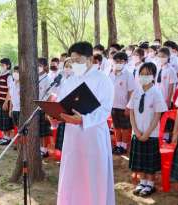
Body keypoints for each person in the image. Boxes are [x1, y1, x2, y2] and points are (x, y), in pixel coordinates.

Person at [56, 42, 115, 205]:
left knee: (93, 175)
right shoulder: (70, 80)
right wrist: (56, 114)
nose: (74, 64)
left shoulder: (103, 80)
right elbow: (62, 103)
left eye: (78, 60)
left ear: (90, 59)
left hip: (93, 136)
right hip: (72, 136)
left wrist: (84, 119)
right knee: (73, 173)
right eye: (72, 60)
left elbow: (105, 110)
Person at [127, 62, 167, 197]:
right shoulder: (136, 91)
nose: (144, 77)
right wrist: (136, 131)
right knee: (140, 160)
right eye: (142, 74)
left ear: (153, 76)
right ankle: (142, 182)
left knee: (149, 162)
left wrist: (147, 133)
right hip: (137, 132)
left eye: (147, 74)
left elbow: (157, 115)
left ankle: (150, 184)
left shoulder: (157, 93)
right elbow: (131, 111)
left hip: (151, 134)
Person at [110, 52, 136, 155]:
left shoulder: (128, 75)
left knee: (125, 127)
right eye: (116, 61)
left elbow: (131, 91)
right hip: (113, 105)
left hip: (124, 106)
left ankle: (124, 146)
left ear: (125, 62)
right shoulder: (111, 74)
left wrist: (128, 106)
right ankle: (118, 145)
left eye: (121, 61)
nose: (118, 63)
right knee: (116, 126)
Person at [0, 58, 14, 145]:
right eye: (0, 65)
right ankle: (4, 136)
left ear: (8, 66)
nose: (1, 67)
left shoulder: (9, 76)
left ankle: (8, 137)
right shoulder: (0, 75)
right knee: (2, 121)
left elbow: (10, 90)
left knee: (6, 121)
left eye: (3, 65)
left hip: (5, 102)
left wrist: (6, 102)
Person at [38, 58, 52, 157]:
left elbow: (50, 95)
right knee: (38, 129)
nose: (38, 67)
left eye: (40, 65)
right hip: (35, 107)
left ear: (45, 66)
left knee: (44, 130)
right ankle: (39, 148)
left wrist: (47, 110)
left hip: (43, 107)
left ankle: (44, 149)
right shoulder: (35, 77)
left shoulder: (47, 79)